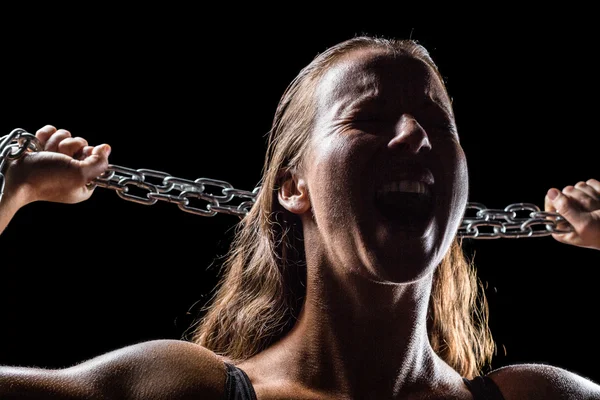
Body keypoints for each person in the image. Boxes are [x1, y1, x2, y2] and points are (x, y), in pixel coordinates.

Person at [1, 35, 599, 399]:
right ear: (293, 186)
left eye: (437, 121)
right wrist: (12, 189)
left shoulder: (538, 395)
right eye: (367, 116)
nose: (416, 134)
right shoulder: (186, 390)